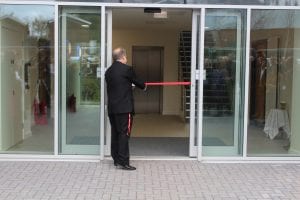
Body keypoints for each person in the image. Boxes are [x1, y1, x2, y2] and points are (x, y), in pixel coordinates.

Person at [105, 47, 146, 170]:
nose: (126, 59)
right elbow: (139, 83)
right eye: (126, 56)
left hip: (112, 109)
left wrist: (129, 86)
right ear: (123, 57)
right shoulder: (127, 69)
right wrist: (144, 87)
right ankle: (124, 162)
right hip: (124, 109)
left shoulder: (109, 71)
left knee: (115, 133)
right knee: (124, 134)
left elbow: (118, 86)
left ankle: (117, 159)